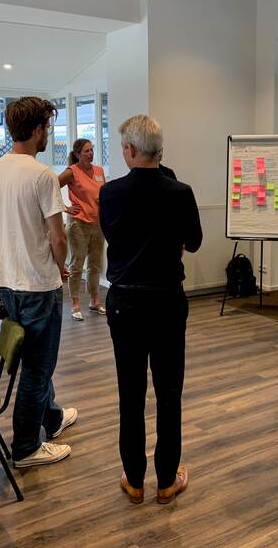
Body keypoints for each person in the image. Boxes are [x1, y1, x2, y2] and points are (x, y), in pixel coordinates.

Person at [100, 115, 202, 505]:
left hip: (125, 300)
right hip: (167, 301)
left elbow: (115, 237)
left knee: (131, 391)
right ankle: (165, 480)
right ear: (160, 150)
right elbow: (192, 241)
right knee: (169, 391)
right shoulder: (180, 191)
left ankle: (135, 479)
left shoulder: (110, 193)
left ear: (128, 150)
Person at [0, 96, 77, 468]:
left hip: (5, 281)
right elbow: (57, 236)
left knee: (31, 360)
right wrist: (63, 266)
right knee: (38, 367)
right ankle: (25, 447)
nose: (48, 136)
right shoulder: (41, 175)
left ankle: (51, 418)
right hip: (38, 283)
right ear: (38, 129)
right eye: (48, 129)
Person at [58, 138, 107, 321]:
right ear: (77, 154)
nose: (90, 153)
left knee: (95, 264)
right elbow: (51, 186)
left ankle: (94, 301)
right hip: (78, 223)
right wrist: (65, 207)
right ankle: (75, 303)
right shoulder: (72, 171)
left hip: (98, 223)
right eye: (86, 151)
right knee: (77, 264)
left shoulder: (99, 171)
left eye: (92, 150)